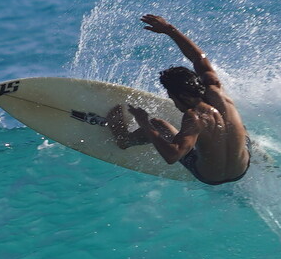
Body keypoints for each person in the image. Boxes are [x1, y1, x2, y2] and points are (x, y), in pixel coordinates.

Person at [107, 14, 251, 185]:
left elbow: (173, 155)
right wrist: (169, 30)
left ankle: (124, 139)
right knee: (240, 128)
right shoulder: (214, 88)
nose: (173, 101)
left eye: (171, 97)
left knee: (158, 125)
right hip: (242, 168)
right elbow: (199, 58)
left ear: (181, 96)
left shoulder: (194, 117)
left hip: (211, 177)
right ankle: (253, 148)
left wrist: (144, 123)